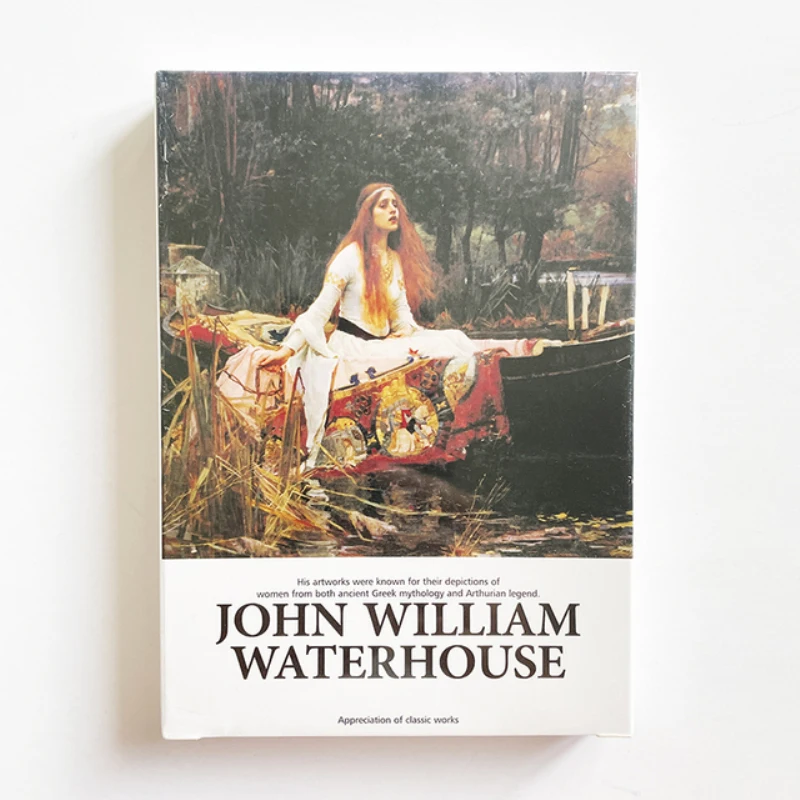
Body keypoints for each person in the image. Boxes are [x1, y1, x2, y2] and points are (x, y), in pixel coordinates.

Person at [253, 183, 536, 467]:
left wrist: (406, 332)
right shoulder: (350, 256)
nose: (393, 210)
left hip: (380, 344)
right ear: (368, 214)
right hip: (352, 347)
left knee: (452, 338)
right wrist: (286, 351)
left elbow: (401, 315)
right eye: (383, 205)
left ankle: (510, 360)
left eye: (395, 204)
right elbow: (318, 312)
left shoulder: (394, 259)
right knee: (429, 350)